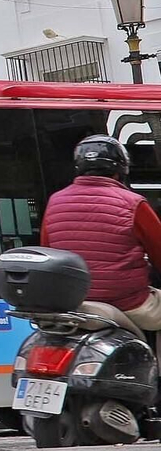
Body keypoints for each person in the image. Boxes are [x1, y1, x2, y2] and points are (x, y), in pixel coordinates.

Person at [42, 134, 161, 330]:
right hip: (129, 304)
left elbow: (48, 253)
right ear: (120, 169)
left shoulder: (55, 201)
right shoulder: (133, 203)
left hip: (73, 304)